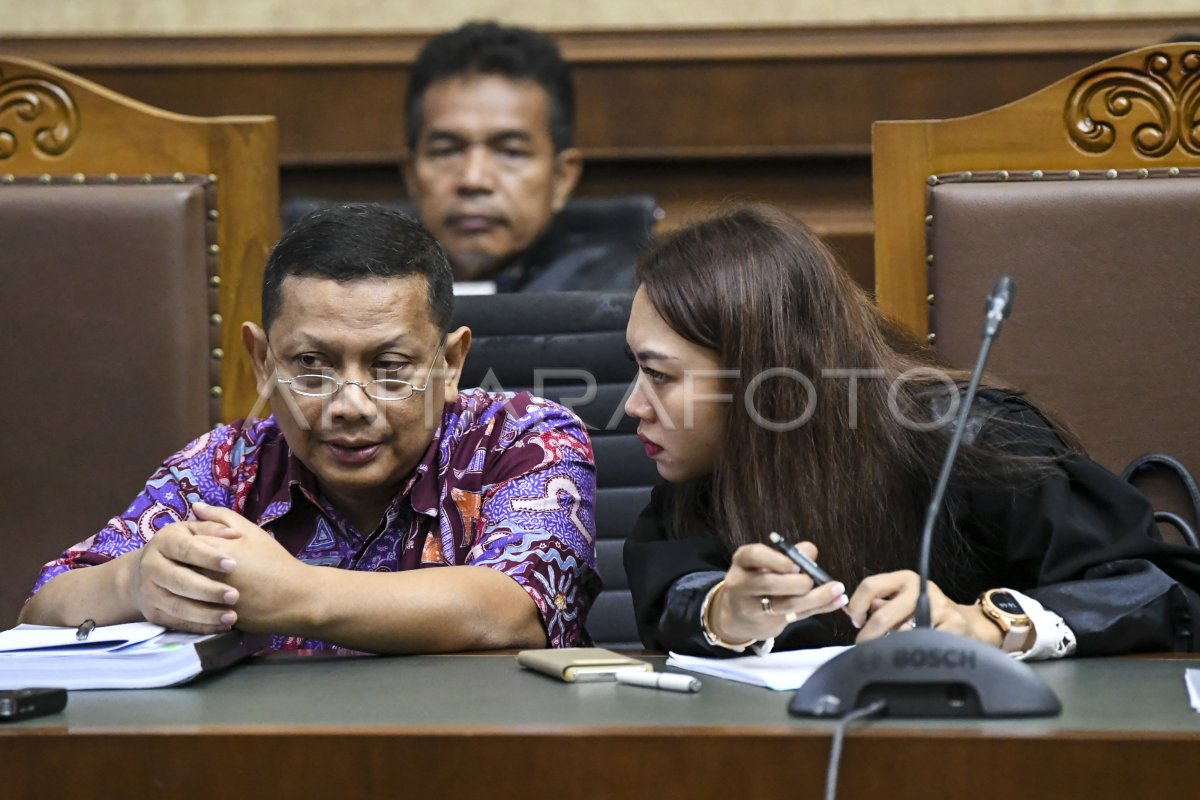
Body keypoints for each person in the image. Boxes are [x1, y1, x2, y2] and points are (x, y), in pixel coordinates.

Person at [622, 203, 1200, 659]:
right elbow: (671, 593)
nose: (632, 405)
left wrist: (990, 623)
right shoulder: (701, 471)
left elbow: (1157, 592)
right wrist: (728, 612)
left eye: (658, 374)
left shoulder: (971, 439)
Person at [20, 203, 600, 653]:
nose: (349, 404)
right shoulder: (226, 467)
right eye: (311, 366)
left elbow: (513, 610)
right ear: (263, 363)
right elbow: (45, 607)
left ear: (449, 364)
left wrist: (291, 595)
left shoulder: (523, 438)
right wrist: (134, 584)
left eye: (390, 367)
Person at [403, 21, 641, 292]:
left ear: (562, 177)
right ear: (411, 174)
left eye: (510, 152)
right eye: (446, 151)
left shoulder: (624, 297)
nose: (473, 179)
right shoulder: (363, 301)